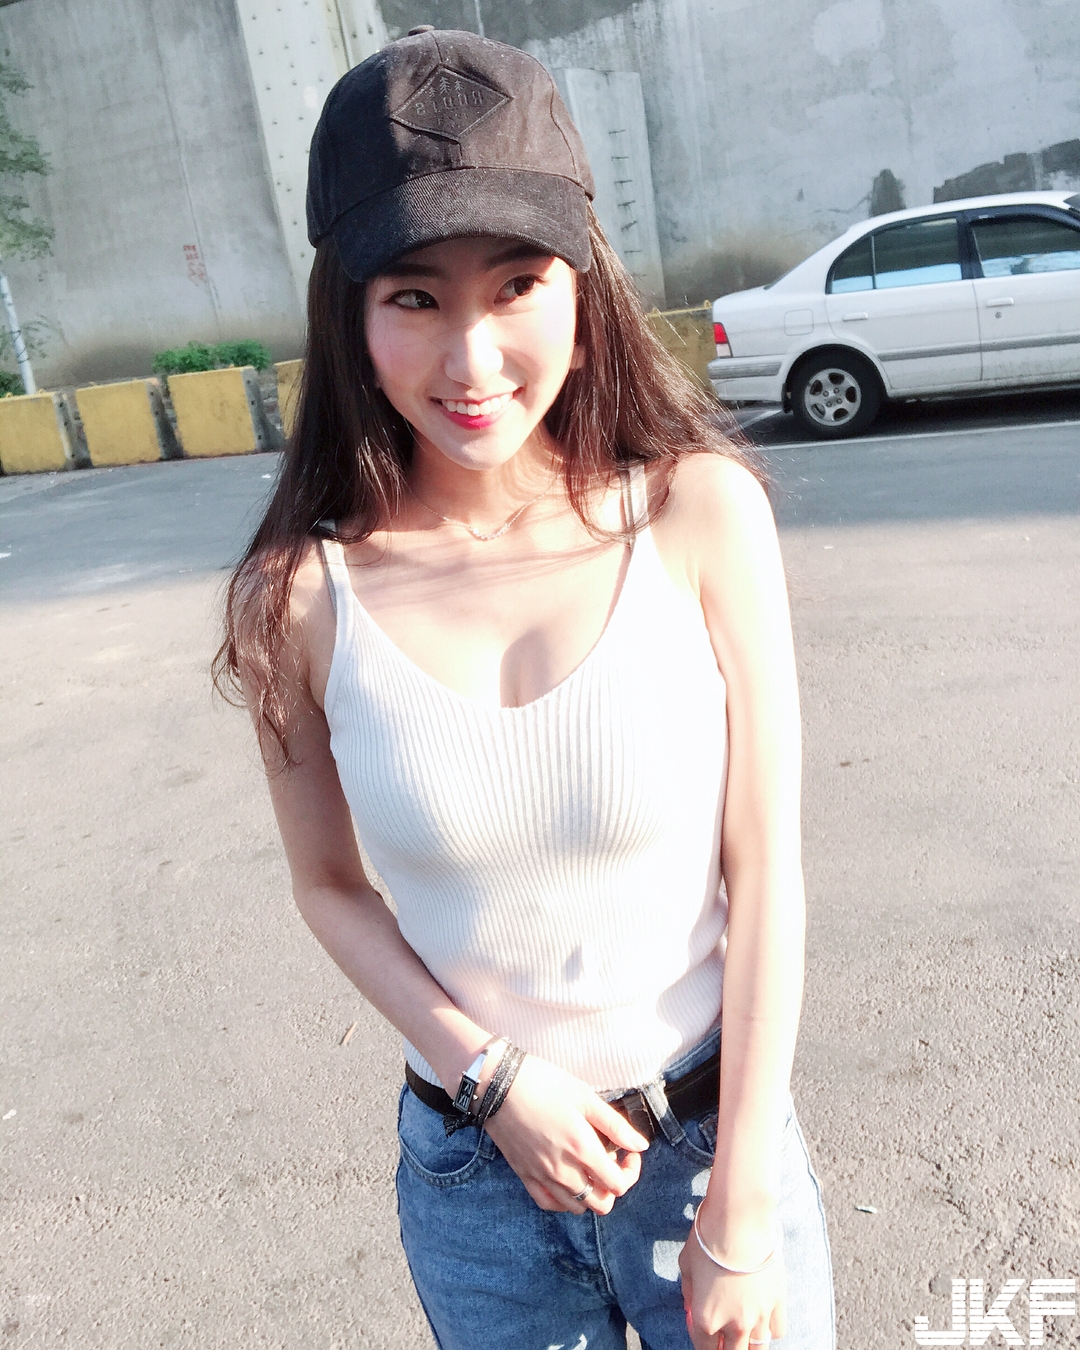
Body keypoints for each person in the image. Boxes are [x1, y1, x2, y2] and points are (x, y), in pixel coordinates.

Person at [217, 26, 834, 1350]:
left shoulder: (699, 515)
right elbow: (328, 886)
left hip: (710, 1148)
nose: (474, 359)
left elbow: (767, 869)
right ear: (349, 315)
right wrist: (492, 1082)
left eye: (516, 284)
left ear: (582, 286)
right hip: (476, 1187)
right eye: (415, 297)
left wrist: (742, 1203)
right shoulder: (299, 595)